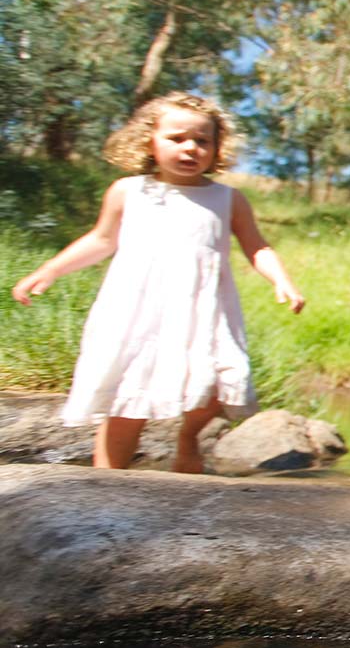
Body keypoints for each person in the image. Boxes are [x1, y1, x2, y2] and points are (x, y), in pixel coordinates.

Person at [11, 92, 306, 471]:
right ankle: (107, 479)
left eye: (203, 141)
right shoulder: (129, 191)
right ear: (149, 139)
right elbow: (102, 239)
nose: (191, 148)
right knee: (127, 396)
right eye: (177, 138)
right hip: (137, 311)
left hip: (203, 311)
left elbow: (257, 247)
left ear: (217, 149)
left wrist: (282, 281)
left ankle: (189, 438)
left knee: (217, 385)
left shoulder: (228, 199)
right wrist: (49, 270)